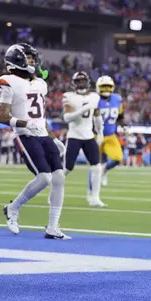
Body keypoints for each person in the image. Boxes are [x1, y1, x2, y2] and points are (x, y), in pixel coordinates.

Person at [0, 43, 69, 239]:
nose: (33, 62)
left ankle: (53, 227)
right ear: (18, 60)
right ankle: (13, 208)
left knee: (59, 178)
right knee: (44, 177)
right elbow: (2, 117)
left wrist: (54, 138)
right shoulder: (8, 81)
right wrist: (24, 123)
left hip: (42, 134)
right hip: (24, 134)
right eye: (29, 58)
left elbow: (41, 116)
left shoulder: (40, 83)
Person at [61, 71, 106, 207]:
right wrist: (81, 110)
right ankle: (54, 192)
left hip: (88, 135)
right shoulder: (69, 96)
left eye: (82, 80)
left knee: (97, 167)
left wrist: (100, 132)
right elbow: (66, 117)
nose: (81, 83)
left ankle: (95, 198)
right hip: (74, 135)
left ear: (87, 82)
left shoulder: (94, 96)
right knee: (67, 168)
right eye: (78, 81)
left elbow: (97, 116)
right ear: (74, 83)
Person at [96, 75, 123, 185]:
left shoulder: (117, 98)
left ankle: (104, 170)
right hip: (95, 135)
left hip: (110, 135)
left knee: (117, 158)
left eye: (108, 86)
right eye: (104, 86)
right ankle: (92, 194)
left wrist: (123, 125)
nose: (106, 89)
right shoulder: (94, 99)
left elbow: (120, 115)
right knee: (95, 165)